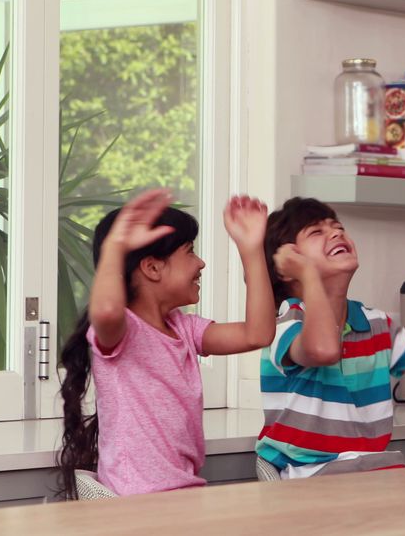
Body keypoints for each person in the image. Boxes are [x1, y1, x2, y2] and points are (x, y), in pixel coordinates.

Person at [57, 189, 276, 498]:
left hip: (181, 496)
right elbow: (106, 310)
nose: (200, 263)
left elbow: (258, 333)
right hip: (142, 502)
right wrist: (115, 249)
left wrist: (252, 250)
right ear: (153, 268)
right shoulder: (124, 331)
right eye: (189, 252)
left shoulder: (183, 328)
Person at [256, 197, 405, 479]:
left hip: (371, 470)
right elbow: (324, 350)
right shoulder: (286, 321)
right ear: (287, 267)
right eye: (316, 232)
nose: (336, 233)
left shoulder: (376, 325)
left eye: (337, 227)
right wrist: (309, 276)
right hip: (304, 475)